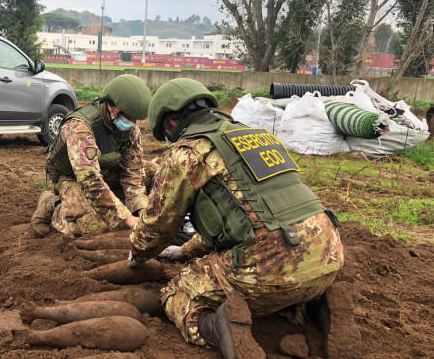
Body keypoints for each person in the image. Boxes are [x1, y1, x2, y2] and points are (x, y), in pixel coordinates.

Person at [128, 78, 344, 358]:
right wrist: (184, 250)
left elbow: (157, 226)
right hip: (328, 255)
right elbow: (246, 215)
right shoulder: (258, 135)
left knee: (176, 293)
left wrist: (138, 251)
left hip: (269, 267)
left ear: (170, 123)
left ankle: (221, 328)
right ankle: (318, 305)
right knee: (287, 276)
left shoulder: (186, 153)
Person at [30, 74, 152, 237]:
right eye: (128, 117)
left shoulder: (129, 129)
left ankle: (117, 202)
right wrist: (128, 219)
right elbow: (90, 180)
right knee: (92, 226)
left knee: (156, 171)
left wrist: (141, 210)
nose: (132, 123)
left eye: (135, 119)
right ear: (111, 107)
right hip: (72, 176)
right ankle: (53, 205)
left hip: (105, 170)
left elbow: (133, 173)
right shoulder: (80, 128)